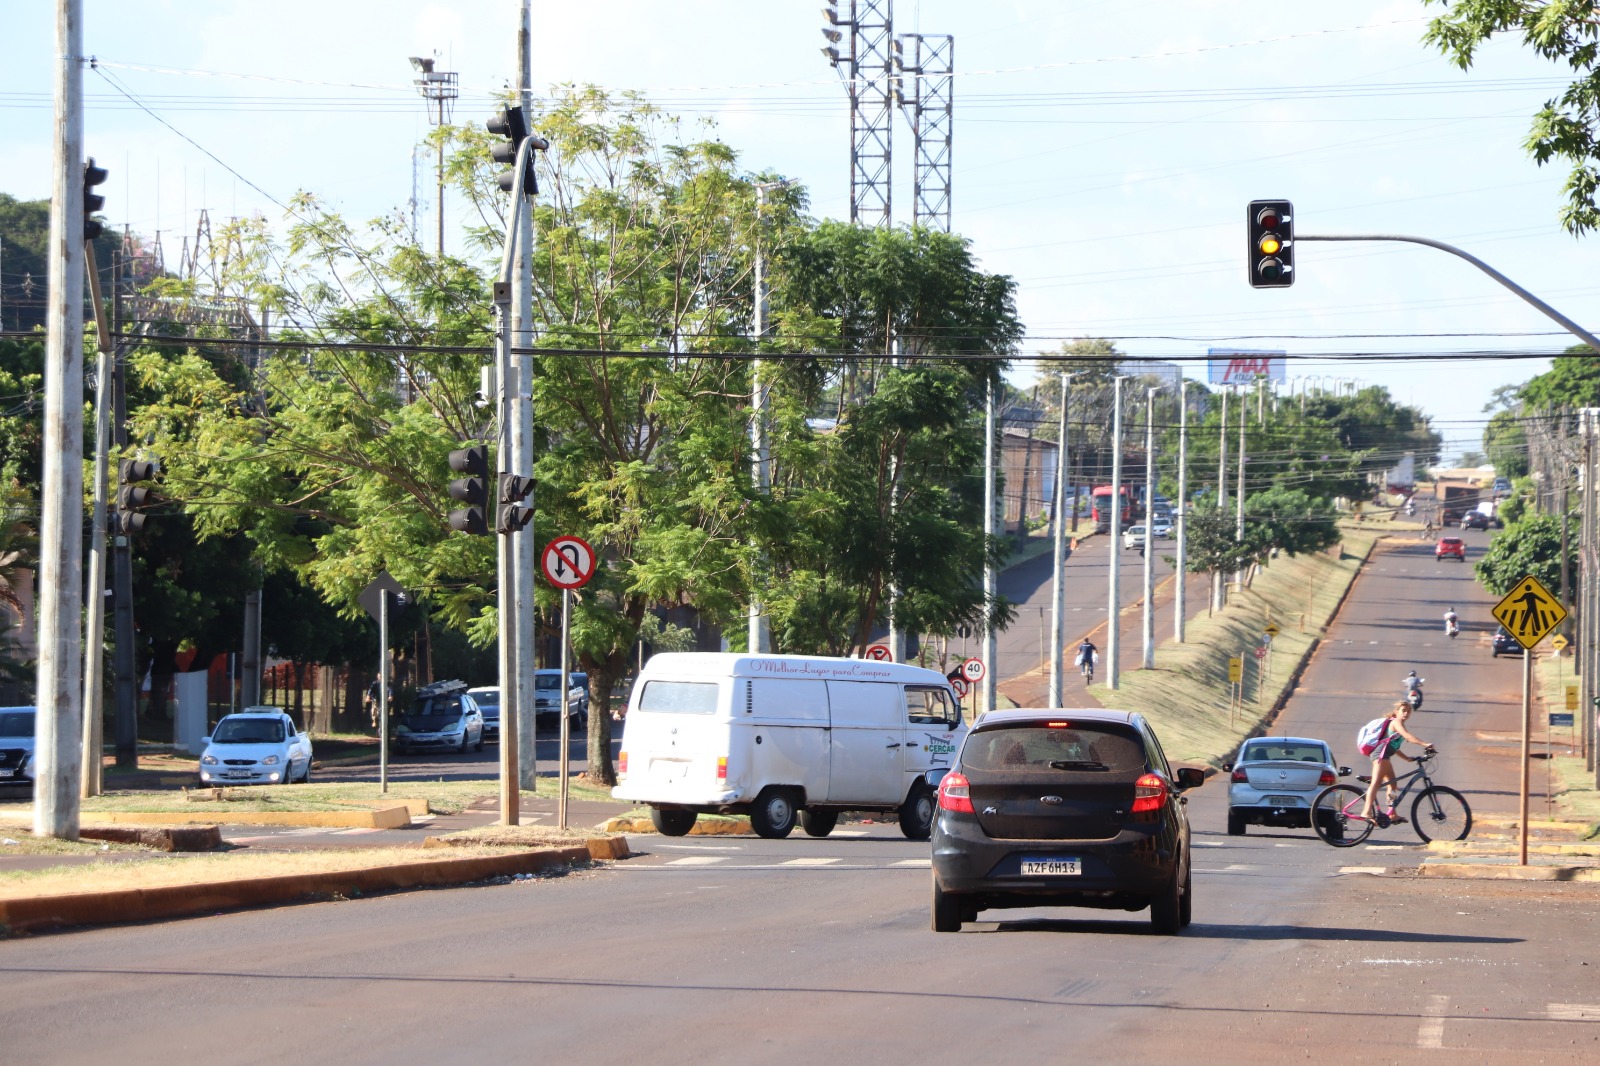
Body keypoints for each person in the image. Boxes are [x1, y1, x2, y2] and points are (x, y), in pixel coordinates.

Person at [1359, 701, 1434, 824]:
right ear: (1396, 712)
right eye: (1403, 710)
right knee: (1376, 783)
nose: (1406, 713)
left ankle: (1392, 813)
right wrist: (1425, 744)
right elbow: (1408, 737)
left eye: (1408, 711)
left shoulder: (1398, 724)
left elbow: (1394, 746)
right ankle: (1366, 812)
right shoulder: (1396, 722)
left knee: (1393, 785)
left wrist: (1407, 758)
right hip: (1380, 756)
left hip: (1385, 757)